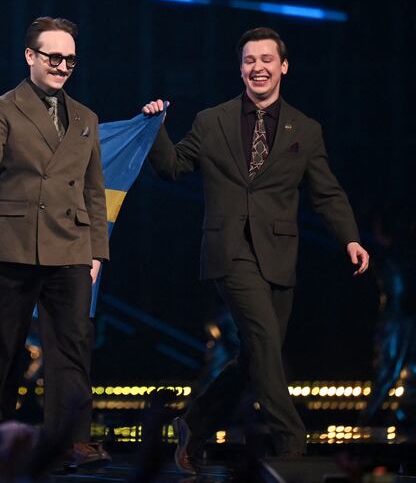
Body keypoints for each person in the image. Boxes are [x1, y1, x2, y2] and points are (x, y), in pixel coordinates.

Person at [142, 27, 370, 473]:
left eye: (267, 59)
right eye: (249, 60)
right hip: (229, 250)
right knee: (265, 341)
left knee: (255, 357)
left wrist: (351, 237)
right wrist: (156, 129)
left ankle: (195, 423)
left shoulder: (304, 128)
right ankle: (291, 439)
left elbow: (326, 192)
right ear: (240, 68)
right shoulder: (212, 121)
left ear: (283, 66)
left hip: (279, 256)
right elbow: (173, 168)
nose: (258, 67)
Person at [0, 17, 110, 469]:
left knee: (72, 345)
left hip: (70, 244)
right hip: (13, 240)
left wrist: (97, 249)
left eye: (70, 59)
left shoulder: (86, 117)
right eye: (54, 57)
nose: (63, 66)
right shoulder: (0, 108)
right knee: (1, 346)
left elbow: (93, 189)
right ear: (30, 56)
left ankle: (70, 439)